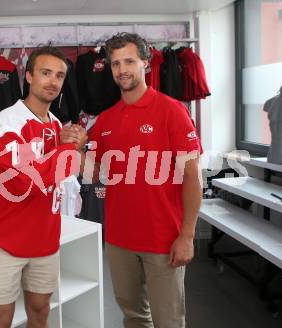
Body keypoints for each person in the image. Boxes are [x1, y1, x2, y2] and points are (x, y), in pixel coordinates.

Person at [90, 32, 202, 328]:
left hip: (163, 239)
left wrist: (187, 235)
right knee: (133, 316)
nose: (121, 69)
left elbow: (192, 177)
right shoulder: (105, 120)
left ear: (146, 64)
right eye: (115, 63)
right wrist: (74, 147)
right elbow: (96, 173)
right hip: (119, 240)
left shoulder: (172, 111)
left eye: (129, 61)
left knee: (168, 320)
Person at [0, 46, 87, 328]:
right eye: (45, 73)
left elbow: (70, 171)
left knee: (40, 312)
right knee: (0, 318)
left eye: (60, 76)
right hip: (6, 240)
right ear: (28, 76)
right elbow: (27, 179)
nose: (53, 81)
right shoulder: (6, 122)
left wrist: (75, 147)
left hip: (45, 239)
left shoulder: (56, 124)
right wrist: (67, 149)